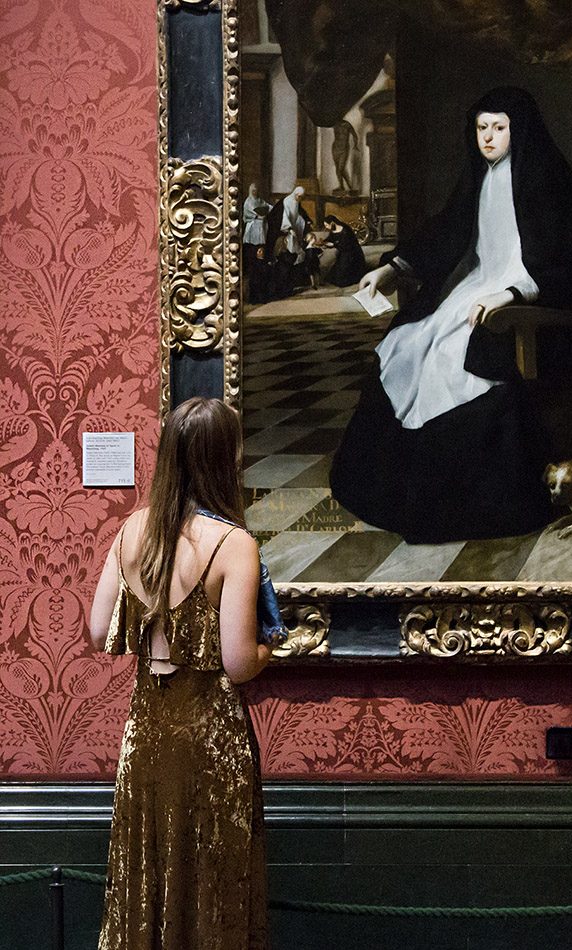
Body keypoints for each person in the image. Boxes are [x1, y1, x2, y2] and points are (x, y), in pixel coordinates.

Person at [329, 86, 572, 544]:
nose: (488, 137)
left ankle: (479, 503)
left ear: (517, 130)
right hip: (480, 284)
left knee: (456, 360)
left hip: (530, 292)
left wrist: (516, 292)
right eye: (481, 127)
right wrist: (390, 269)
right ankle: (399, 494)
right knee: (411, 343)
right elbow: (445, 231)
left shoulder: (545, 179)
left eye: (499, 128)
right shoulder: (478, 177)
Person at [89, 397, 272, 950]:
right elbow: (238, 663)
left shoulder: (131, 532)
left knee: (146, 875)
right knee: (213, 883)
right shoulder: (233, 544)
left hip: (145, 733)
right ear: (223, 460)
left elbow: (98, 633)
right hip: (210, 738)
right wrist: (272, 649)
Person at [242, 182, 271, 304]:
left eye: (256, 190)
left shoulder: (260, 200)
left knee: (261, 268)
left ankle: (262, 296)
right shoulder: (248, 202)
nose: (254, 192)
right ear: (250, 191)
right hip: (251, 236)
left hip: (261, 235)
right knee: (254, 269)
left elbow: (269, 207)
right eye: (252, 190)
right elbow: (247, 215)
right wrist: (257, 215)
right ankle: (253, 298)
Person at [322, 214, 366, 287]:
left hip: (352, 253)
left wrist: (333, 245)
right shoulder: (333, 229)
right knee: (335, 274)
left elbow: (347, 245)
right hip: (343, 252)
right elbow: (331, 238)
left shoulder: (345, 230)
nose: (326, 227)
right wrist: (324, 242)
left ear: (332, 223)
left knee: (343, 278)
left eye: (327, 225)